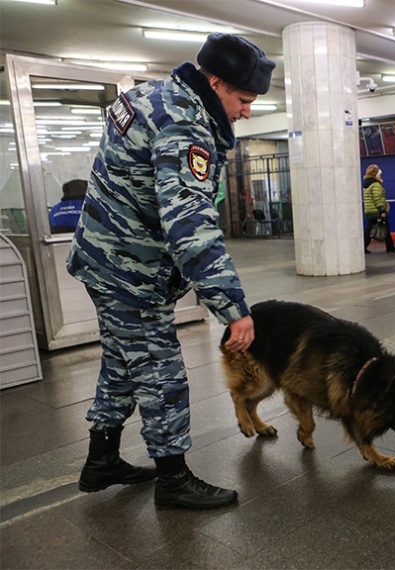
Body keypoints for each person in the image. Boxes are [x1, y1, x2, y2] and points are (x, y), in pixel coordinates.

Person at [67, 33, 275, 509]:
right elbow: (190, 226)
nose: (246, 112)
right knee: (161, 372)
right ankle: (174, 478)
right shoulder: (186, 127)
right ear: (215, 81)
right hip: (128, 271)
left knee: (123, 363)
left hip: (105, 257)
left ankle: (102, 461)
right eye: (243, 100)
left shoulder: (150, 95)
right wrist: (233, 308)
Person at [362, 164, 395, 253]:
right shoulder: (375, 185)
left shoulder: (366, 185)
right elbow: (377, 198)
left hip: (369, 210)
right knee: (377, 228)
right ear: (375, 174)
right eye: (379, 173)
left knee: (373, 228)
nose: (380, 175)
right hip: (376, 211)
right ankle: (390, 248)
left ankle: (390, 247)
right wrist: (382, 210)